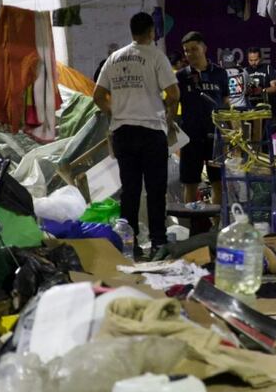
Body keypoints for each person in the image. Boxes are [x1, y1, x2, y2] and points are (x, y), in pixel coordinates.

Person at [93, 13, 179, 256]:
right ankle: (158, 242)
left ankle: (129, 245)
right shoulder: (156, 56)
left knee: (129, 190)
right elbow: (174, 94)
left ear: (131, 32)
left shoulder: (114, 58)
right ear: (152, 32)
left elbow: (97, 96)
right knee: (155, 189)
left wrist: (115, 112)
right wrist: (166, 114)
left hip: (123, 133)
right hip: (151, 131)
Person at [178, 31, 230, 205]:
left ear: (204, 48)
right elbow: (171, 102)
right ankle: (192, 220)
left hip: (215, 136)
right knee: (190, 184)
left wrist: (231, 130)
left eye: (194, 49)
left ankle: (216, 220)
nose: (190, 54)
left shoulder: (220, 73)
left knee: (218, 183)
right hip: (190, 137)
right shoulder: (180, 76)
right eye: (186, 50)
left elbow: (226, 102)